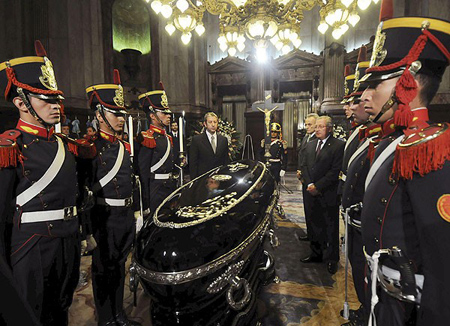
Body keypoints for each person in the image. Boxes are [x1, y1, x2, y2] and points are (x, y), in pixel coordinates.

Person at [360, 2, 450, 325]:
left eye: (376, 84)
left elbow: (443, 262)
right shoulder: (395, 140)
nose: (366, 95)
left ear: (406, 83)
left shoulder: (430, 148)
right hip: (383, 296)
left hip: (405, 307)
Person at [0, 40, 96, 325]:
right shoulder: (10, 147)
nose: (57, 106)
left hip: (66, 241)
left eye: (57, 98)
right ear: (21, 102)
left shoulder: (65, 145)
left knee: (61, 311)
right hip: (31, 246)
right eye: (47, 99)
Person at [84, 70, 141, 326]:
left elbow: (133, 182)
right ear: (99, 114)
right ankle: (106, 318)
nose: (121, 118)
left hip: (124, 217)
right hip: (104, 219)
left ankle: (119, 314)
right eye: (115, 113)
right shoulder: (91, 147)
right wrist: (87, 231)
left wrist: (136, 212)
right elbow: (84, 192)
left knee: (119, 268)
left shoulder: (123, 146)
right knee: (103, 271)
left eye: (122, 113)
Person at [340, 45, 381, 326]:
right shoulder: (360, 132)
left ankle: (366, 312)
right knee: (357, 269)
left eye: (355, 102)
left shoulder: (378, 139)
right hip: (355, 218)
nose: (352, 106)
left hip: (366, 223)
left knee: (364, 273)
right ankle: (363, 310)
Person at [299, 116, 345, 274]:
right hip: (310, 191)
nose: (317, 129)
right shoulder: (311, 145)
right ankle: (316, 254)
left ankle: (332, 259)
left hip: (327, 193)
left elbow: (335, 171)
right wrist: (309, 184)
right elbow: (305, 165)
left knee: (330, 227)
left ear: (329, 128)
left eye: (321, 127)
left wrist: (318, 186)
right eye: (316, 127)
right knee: (313, 224)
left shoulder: (339, 145)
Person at [136, 83, 176, 218]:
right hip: (155, 189)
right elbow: (143, 172)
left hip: (169, 187)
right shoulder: (147, 138)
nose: (169, 116)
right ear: (153, 116)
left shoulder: (167, 137)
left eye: (168, 113)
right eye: (164, 113)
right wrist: (146, 202)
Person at [296, 113, 318, 241]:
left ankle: (314, 236)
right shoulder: (306, 138)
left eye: (310, 124)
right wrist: (299, 170)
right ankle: (310, 233)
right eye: (306, 124)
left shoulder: (317, 139)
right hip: (304, 177)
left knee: (313, 209)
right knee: (307, 207)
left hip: (312, 179)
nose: (307, 127)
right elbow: (301, 155)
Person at [189, 112, 230, 179]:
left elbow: (226, 161)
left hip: (219, 178)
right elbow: (193, 163)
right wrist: (194, 181)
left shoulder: (223, 140)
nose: (213, 125)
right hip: (203, 179)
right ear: (205, 124)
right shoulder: (197, 140)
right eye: (210, 122)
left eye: (215, 122)